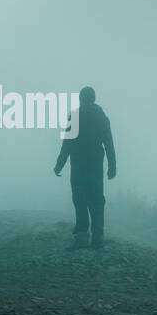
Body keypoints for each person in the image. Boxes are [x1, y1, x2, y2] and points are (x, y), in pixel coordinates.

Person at [53, 86, 116, 249]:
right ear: (94, 98)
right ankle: (98, 237)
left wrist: (59, 165)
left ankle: (81, 236)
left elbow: (66, 144)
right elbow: (109, 143)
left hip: (78, 165)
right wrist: (112, 166)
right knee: (97, 200)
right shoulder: (102, 118)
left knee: (79, 199)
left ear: (81, 99)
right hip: (95, 165)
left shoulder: (74, 116)